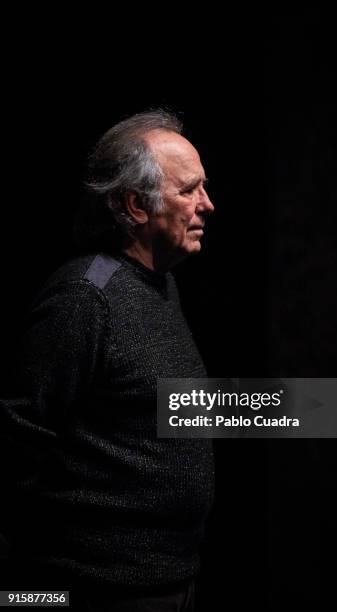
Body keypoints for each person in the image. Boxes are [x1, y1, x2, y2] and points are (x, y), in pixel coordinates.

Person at [1, 110, 215, 611]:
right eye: (188, 191)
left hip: (170, 582)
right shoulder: (85, 297)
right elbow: (16, 436)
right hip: (96, 591)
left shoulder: (161, 285)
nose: (208, 204)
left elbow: (157, 411)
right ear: (136, 206)